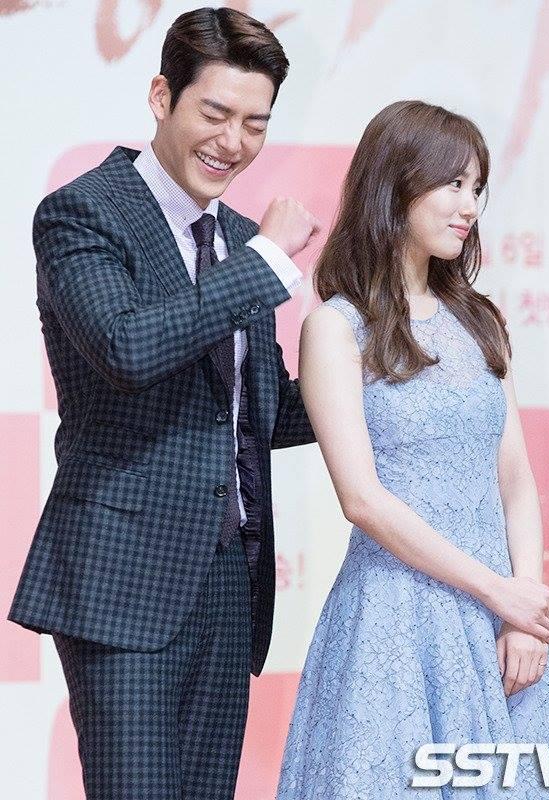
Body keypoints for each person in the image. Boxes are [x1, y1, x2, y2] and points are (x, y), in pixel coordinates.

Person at [8, 7, 318, 799]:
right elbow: (126, 348)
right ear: (161, 97)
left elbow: (259, 414)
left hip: (230, 583)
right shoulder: (85, 212)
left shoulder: (240, 237)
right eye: (215, 113)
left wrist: (384, 370)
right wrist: (265, 264)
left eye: (255, 123)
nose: (233, 142)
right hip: (122, 579)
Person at [276, 101, 549, 798]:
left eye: (477, 188)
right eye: (453, 184)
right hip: (395, 617)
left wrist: (526, 610)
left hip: (500, 622)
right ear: (396, 185)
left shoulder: (481, 321)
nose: (469, 206)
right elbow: (362, 500)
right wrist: (499, 591)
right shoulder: (337, 328)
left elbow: (516, 479)